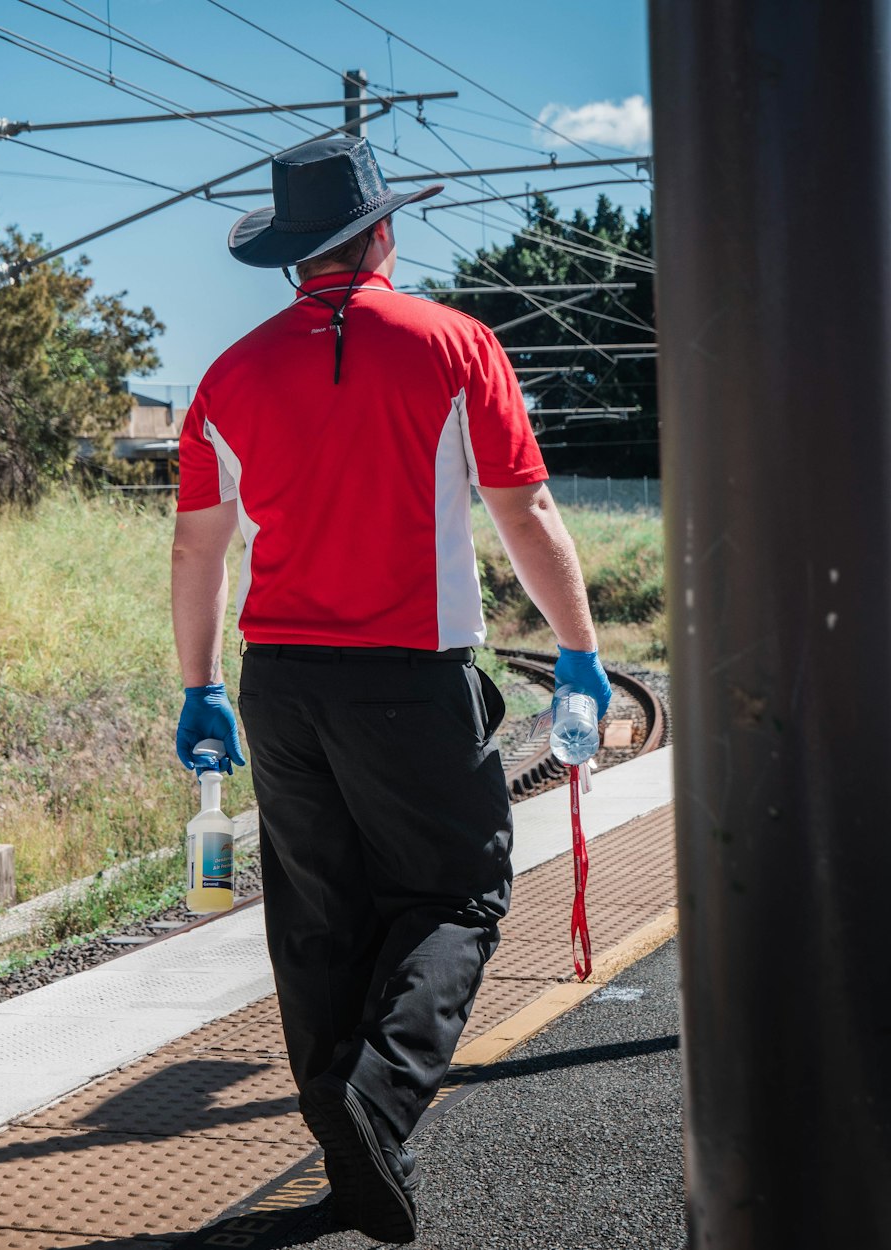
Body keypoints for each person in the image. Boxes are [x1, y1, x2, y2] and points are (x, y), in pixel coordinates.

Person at [171, 133, 611, 1244]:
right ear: (379, 233)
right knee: (454, 894)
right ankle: (376, 1096)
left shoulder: (228, 374)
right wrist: (576, 649)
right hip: (409, 680)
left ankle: (354, 1151)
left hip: (277, 684)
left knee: (319, 913)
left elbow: (196, 547)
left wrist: (199, 685)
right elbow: (525, 512)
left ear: (293, 256)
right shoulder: (455, 344)